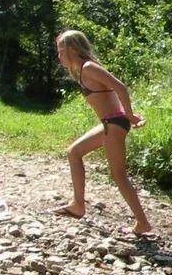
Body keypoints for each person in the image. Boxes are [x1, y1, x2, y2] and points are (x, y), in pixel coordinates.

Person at [52, 30, 153, 235]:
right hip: (109, 123)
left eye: (61, 51)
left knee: (118, 175)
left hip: (115, 123)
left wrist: (130, 115)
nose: (59, 56)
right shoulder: (81, 70)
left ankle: (143, 223)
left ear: (72, 50)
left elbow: (120, 87)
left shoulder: (89, 67)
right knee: (74, 152)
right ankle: (78, 205)